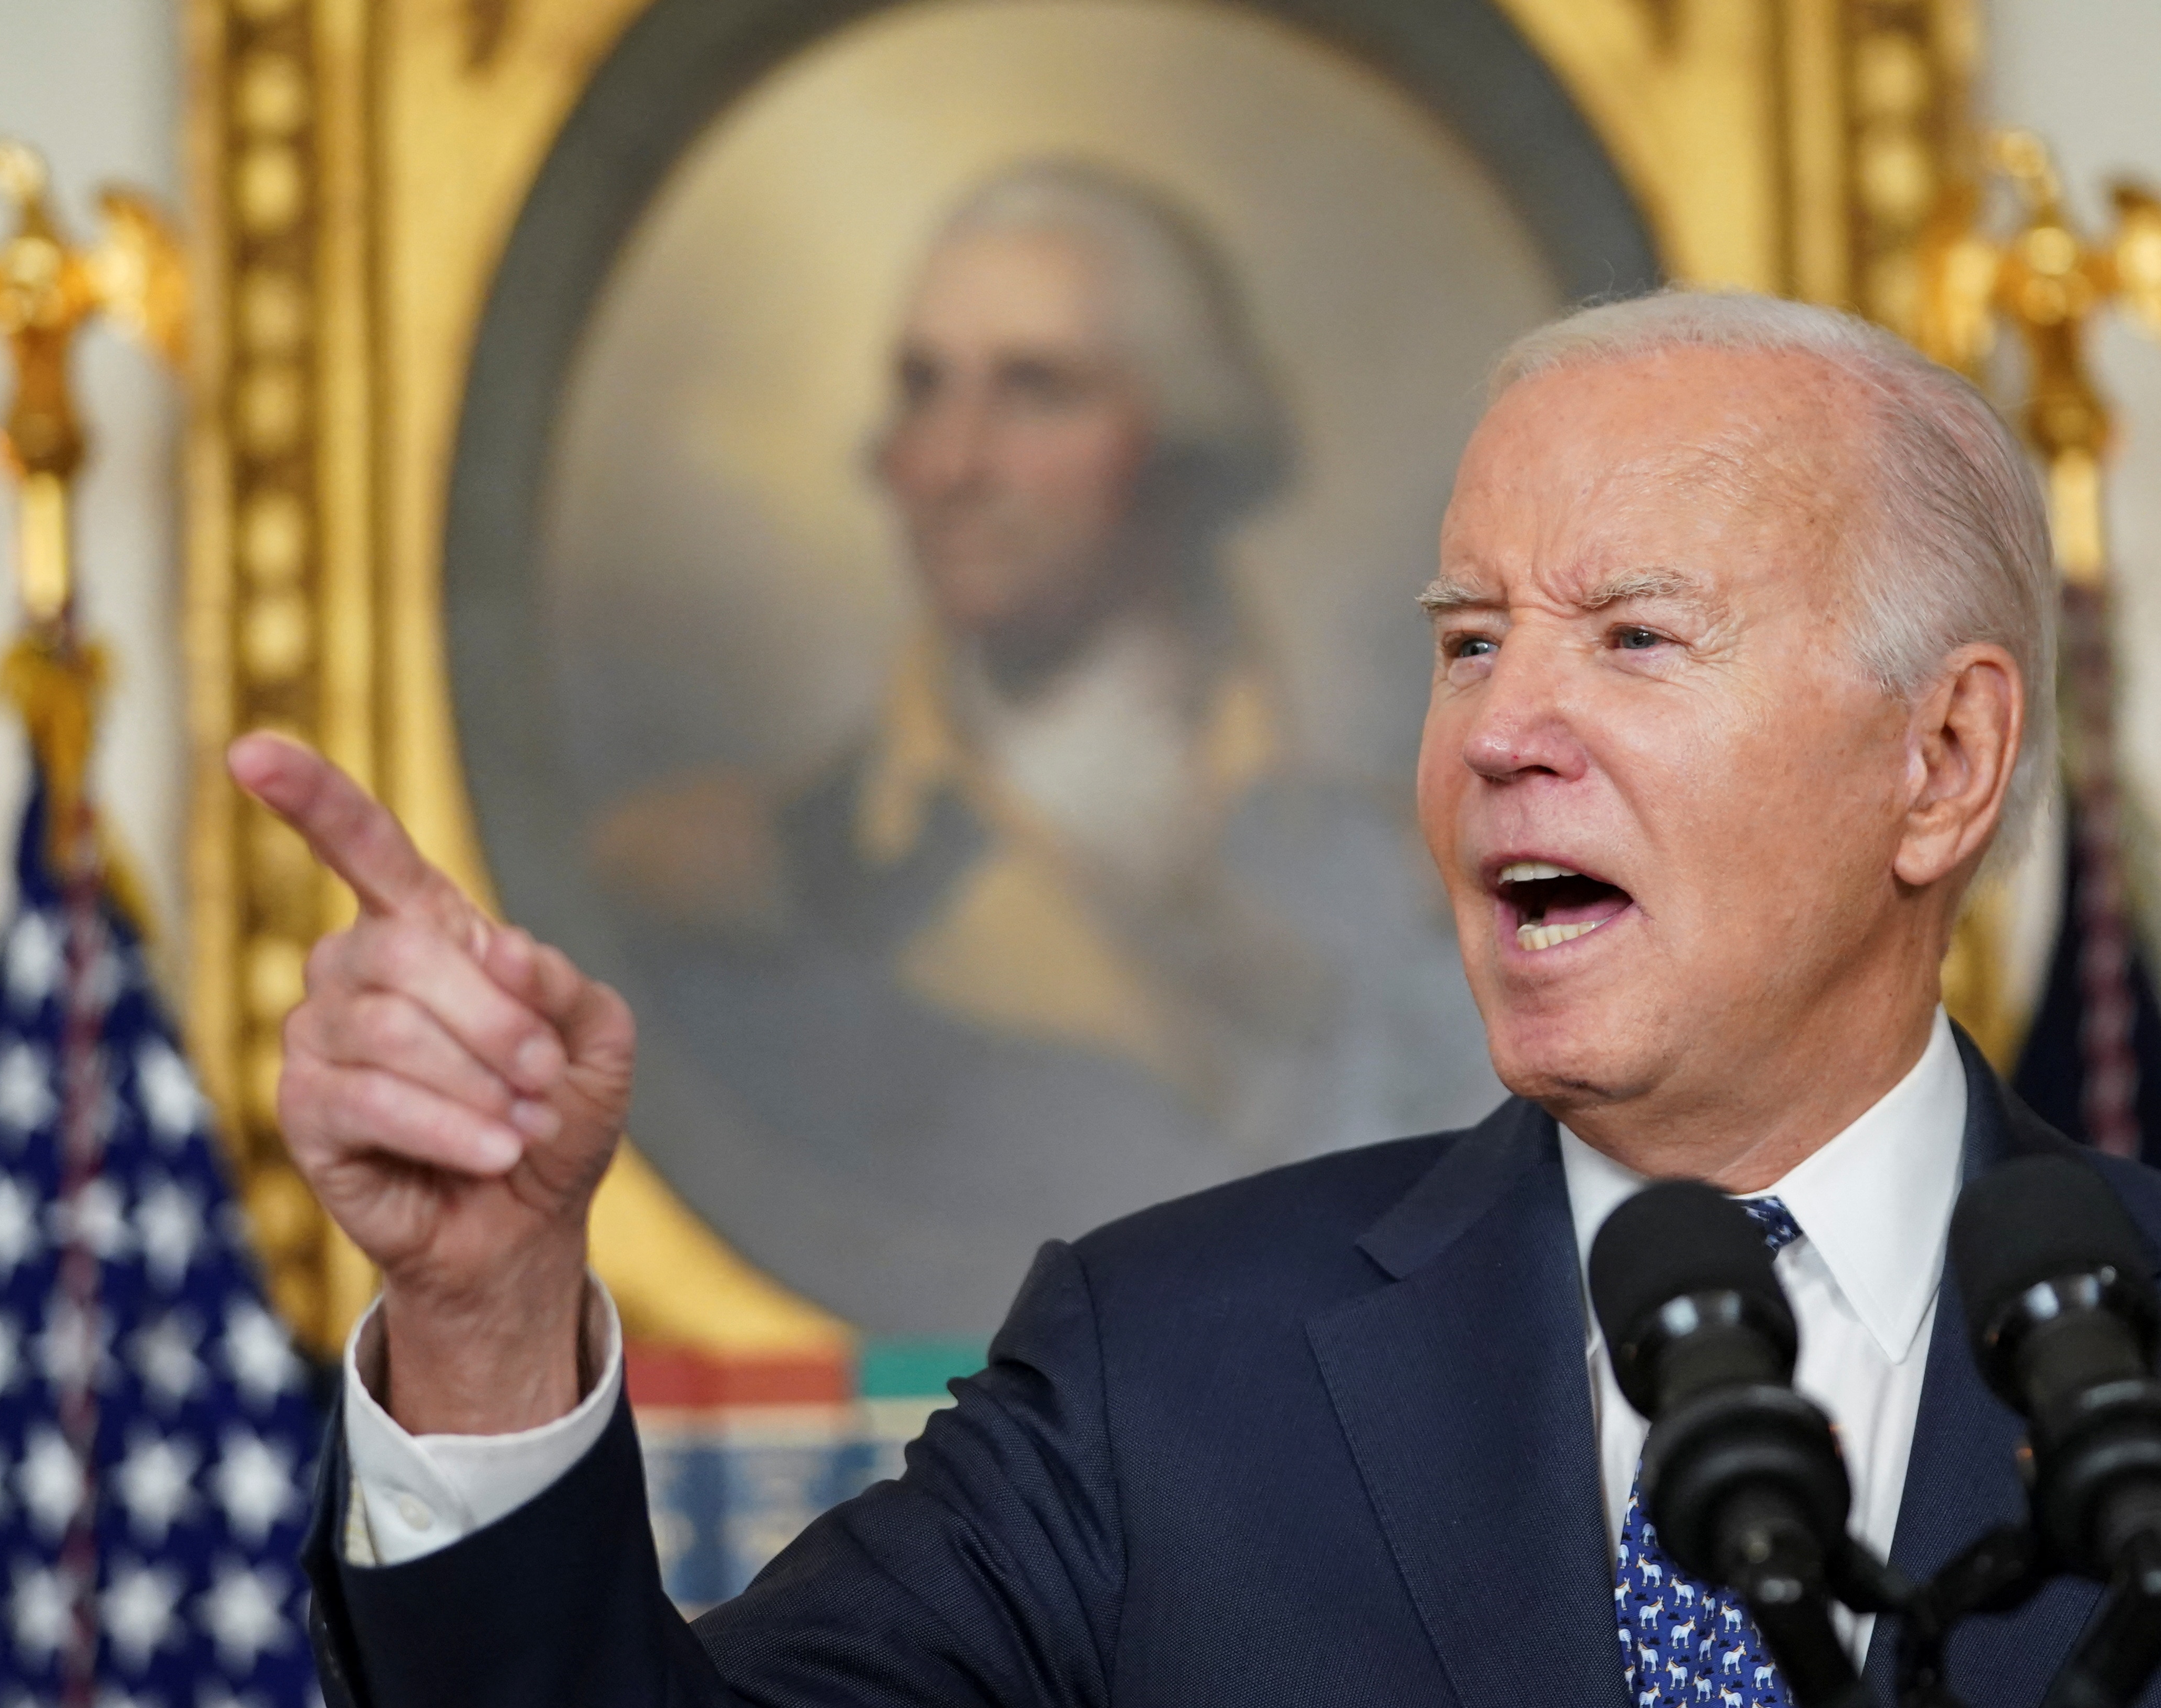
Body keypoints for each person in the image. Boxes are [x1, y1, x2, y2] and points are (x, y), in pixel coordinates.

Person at [238, 290, 2161, 1708]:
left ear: (1941, 764)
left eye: (1633, 637)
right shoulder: (1157, 1381)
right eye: (1466, 638)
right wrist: (498, 1306)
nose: (1503, 729)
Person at [578, 161, 1492, 1335]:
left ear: (1180, 441)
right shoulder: (722, 885)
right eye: (922, 389)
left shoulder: (1410, 879)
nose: (953, 464)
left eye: (1037, 390)